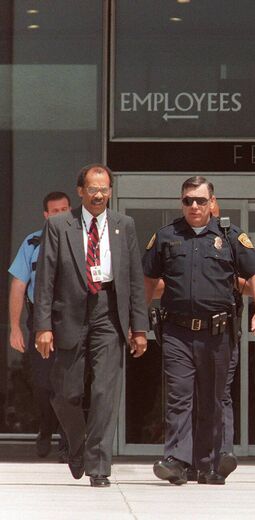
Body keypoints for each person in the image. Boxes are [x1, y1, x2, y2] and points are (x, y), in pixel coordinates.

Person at [144, 176, 255, 486]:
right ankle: (176, 460)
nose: (195, 206)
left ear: (212, 202)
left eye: (201, 200)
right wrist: (138, 321)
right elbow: (147, 281)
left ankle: (215, 461)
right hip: (177, 331)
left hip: (218, 332)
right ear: (181, 203)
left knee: (216, 397)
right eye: (188, 200)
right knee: (179, 396)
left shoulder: (230, 237)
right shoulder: (165, 236)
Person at [33, 164, 149, 487]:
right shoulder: (59, 225)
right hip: (68, 312)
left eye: (105, 189)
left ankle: (99, 466)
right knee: (65, 392)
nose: (99, 195)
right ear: (80, 191)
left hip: (108, 311)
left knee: (104, 392)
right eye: (93, 189)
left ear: (110, 192)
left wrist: (139, 327)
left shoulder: (124, 225)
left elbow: (135, 280)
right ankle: (77, 440)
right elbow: (45, 278)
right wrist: (43, 325)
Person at [8, 191, 71, 460]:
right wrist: (15, 327)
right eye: (54, 211)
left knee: (71, 386)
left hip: (72, 321)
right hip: (40, 320)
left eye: (64, 210)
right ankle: (47, 427)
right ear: (46, 216)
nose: (60, 215)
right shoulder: (32, 242)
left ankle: (70, 442)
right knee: (44, 384)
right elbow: (18, 286)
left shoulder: (83, 241)